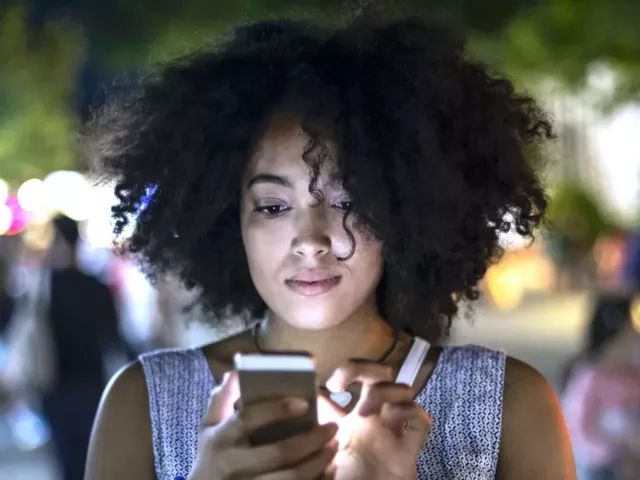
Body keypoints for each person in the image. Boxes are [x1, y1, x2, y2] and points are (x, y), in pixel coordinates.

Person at [85, 16, 575, 480]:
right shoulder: (142, 405)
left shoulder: (513, 404)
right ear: (226, 219)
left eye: (349, 201)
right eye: (273, 207)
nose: (311, 241)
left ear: (404, 211)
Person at [3, 215, 122, 479]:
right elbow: (113, 336)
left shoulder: (40, 287)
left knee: (66, 458)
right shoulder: (96, 287)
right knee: (89, 455)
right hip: (92, 382)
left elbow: (9, 321)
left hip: (54, 382)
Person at [563, 294, 640, 480]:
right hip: (600, 465)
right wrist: (614, 450)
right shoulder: (588, 379)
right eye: (625, 342)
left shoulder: (633, 375)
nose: (634, 347)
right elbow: (578, 429)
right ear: (606, 343)